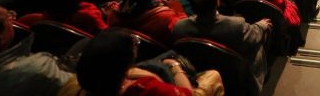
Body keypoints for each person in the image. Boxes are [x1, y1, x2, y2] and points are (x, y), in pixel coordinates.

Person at [173, 0, 271, 91]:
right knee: (257, 43)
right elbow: (256, 34)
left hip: (200, 73)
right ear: (217, 0)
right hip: (234, 78)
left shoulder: (179, 28)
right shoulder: (236, 25)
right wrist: (262, 25)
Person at [72, 29, 223, 96]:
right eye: (135, 45)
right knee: (213, 75)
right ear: (125, 62)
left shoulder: (78, 85)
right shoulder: (146, 88)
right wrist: (174, 66)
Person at [105, 0, 187, 46]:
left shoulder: (110, 12)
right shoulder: (165, 17)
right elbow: (184, 31)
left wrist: (158, 2)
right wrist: (177, 7)